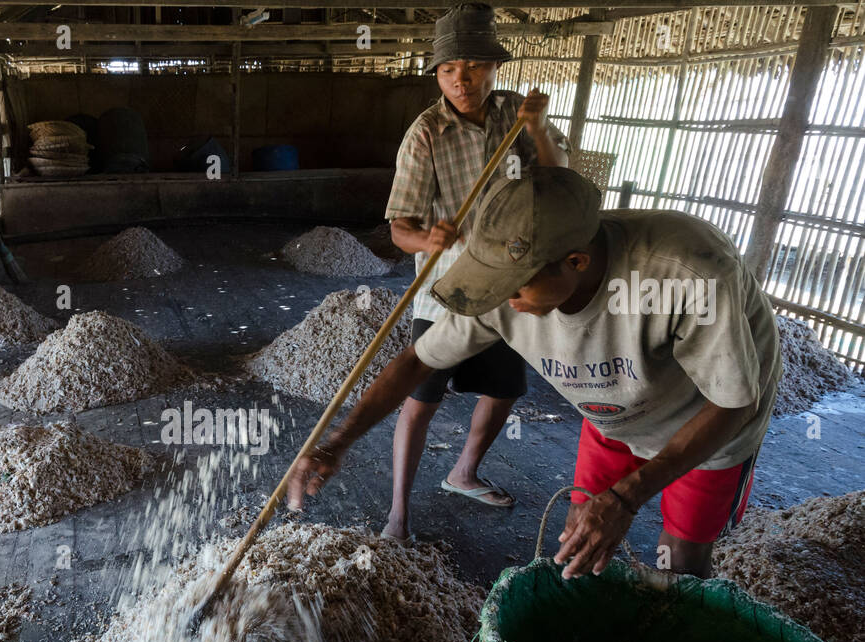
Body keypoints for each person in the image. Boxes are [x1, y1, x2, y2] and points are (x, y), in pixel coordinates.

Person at [288, 166, 782, 580]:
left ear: (575, 262)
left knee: (679, 556)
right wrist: (338, 440)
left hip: (706, 419)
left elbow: (735, 401)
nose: (502, 304)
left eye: (516, 291)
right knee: (582, 528)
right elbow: (419, 360)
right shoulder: (502, 286)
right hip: (615, 407)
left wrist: (627, 497)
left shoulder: (685, 273)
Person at [383, 1, 569, 541]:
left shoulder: (517, 117)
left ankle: (463, 472)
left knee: (507, 387)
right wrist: (429, 237)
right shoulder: (427, 133)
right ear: (437, 76)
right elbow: (400, 229)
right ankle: (398, 512)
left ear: (493, 67)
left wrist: (537, 129)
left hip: (511, 285)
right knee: (420, 398)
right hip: (447, 289)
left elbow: (559, 182)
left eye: (471, 66)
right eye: (447, 70)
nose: (460, 80)